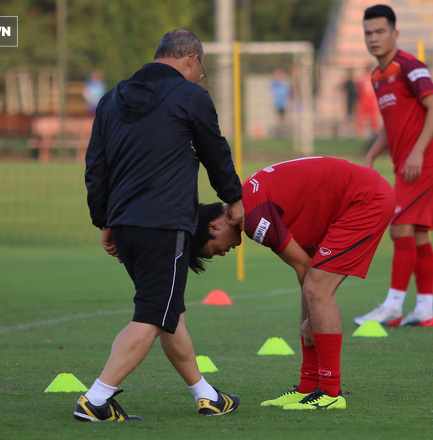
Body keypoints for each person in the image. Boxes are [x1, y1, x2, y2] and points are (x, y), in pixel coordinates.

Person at [80, 30, 244, 422]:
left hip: (125, 223)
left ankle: (206, 395)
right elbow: (214, 151)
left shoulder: (111, 99)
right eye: (200, 71)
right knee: (154, 314)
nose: (198, 77)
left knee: (169, 312)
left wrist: (105, 220)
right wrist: (233, 197)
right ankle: (96, 399)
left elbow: (95, 168)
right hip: (164, 222)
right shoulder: (190, 96)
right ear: (192, 60)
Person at [189, 157, 394, 411]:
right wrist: (309, 319)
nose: (223, 253)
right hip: (354, 196)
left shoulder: (253, 219)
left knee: (317, 290)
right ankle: (308, 386)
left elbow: (304, 269)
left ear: (214, 226)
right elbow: (305, 265)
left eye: (213, 250)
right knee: (313, 290)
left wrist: (310, 319)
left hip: (364, 200)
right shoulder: (247, 203)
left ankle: (330, 392)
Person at [356, 4, 433, 327]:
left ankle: (393, 305)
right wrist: (371, 155)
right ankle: (424, 308)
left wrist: (418, 152)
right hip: (405, 164)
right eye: (368, 33)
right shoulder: (377, 75)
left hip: (422, 163)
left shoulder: (410, 65)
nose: (373, 38)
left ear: (395, 34)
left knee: (399, 228)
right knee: (418, 235)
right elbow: (389, 123)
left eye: (380, 32)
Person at [269, 68, 291, 137]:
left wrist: (287, 101)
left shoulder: (284, 82)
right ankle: (279, 132)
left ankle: (281, 131)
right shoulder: (273, 83)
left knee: (282, 118)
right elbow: (269, 91)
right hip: (277, 103)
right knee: (279, 118)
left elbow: (288, 92)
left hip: (284, 103)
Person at [340, 69, 358, 138]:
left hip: (353, 101)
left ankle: (351, 131)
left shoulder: (354, 82)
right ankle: (344, 131)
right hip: (349, 101)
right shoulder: (348, 82)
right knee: (348, 117)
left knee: (353, 117)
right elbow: (343, 89)